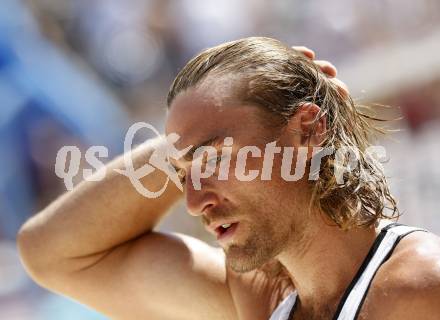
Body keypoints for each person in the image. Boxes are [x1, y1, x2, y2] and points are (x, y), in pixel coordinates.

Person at [17, 37, 440, 320]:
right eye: (182, 175)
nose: (194, 201)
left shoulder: (419, 290)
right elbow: (52, 253)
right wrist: (177, 147)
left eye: (215, 160)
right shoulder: (260, 297)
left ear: (308, 131)